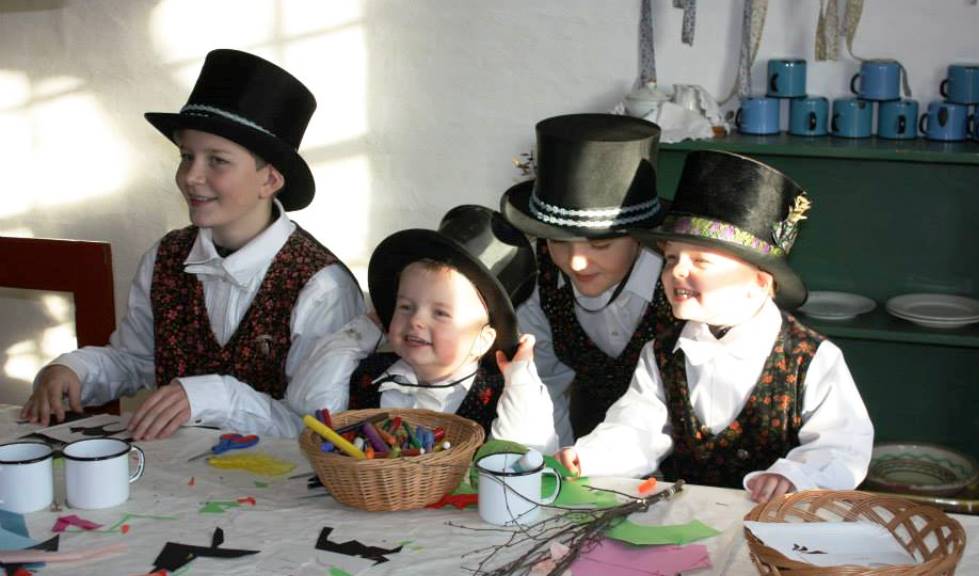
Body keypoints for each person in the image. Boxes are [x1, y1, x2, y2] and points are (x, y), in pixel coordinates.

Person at [20, 49, 364, 439]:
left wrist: (212, 396)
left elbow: (318, 429)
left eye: (217, 160)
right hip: (178, 475)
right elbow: (136, 360)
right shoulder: (167, 257)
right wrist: (73, 371)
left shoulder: (321, 287)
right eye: (187, 157)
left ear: (269, 180)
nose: (191, 177)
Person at [555, 150, 874, 503]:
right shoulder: (661, 353)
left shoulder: (811, 359)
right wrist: (593, 457)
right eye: (671, 258)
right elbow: (637, 427)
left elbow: (843, 444)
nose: (676, 271)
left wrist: (795, 476)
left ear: (759, 282)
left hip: (779, 523)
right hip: (689, 517)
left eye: (701, 261)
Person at [288, 205, 557, 452]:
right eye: (405, 306)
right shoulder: (370, 376)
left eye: (440, 313)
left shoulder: (497, 396)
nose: (416, 320)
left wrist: (520, 378)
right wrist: (363, 330)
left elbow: (528, 453)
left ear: (482, 341)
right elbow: (310, 404)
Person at [500, 113, 679, 446]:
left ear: (641, 238)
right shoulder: (541, 283)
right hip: (584, 449)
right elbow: (542, 388)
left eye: (600, 244)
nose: (576, 262)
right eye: (557, 241)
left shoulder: (680, 284)